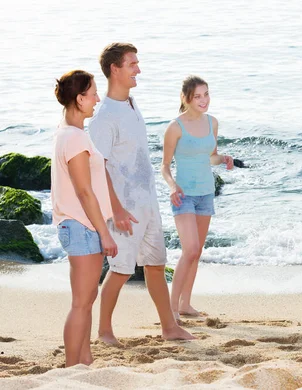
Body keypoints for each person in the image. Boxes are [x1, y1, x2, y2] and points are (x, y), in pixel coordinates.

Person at [89, 42, 193, 344]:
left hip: (147, 202)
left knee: (156, 264)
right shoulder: (104, 116)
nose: (139, 69)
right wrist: (117, 209)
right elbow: (99, 168)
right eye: (132, 64)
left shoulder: (131, 103)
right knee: (121, 270)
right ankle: (104, 331)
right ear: (115, 69)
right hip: (124, 209)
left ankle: (169, 327)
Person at [52, 70, 118, 366]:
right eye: (93, 94)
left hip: (81, 225)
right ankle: (70, 368)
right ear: (80, 99)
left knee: (87, 300)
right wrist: (105, 233)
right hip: (82, 226)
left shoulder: (69, 132)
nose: (97, 99)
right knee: (81, 303)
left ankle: (85, 361)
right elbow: (84, 192)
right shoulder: (74, 138)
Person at [161, 76, 233, 321]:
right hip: (183, 195)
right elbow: (164, 167)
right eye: (198, 96)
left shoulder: (213, 123)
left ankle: (186, 304)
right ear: (186, 98)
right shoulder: (175, 127)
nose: (204, 100)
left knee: (197, 251)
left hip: (206, 193)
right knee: (189, 249)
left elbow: (209, 157)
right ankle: (170, 309)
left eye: (206, 94)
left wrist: (223, 158)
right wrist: (172, 186)